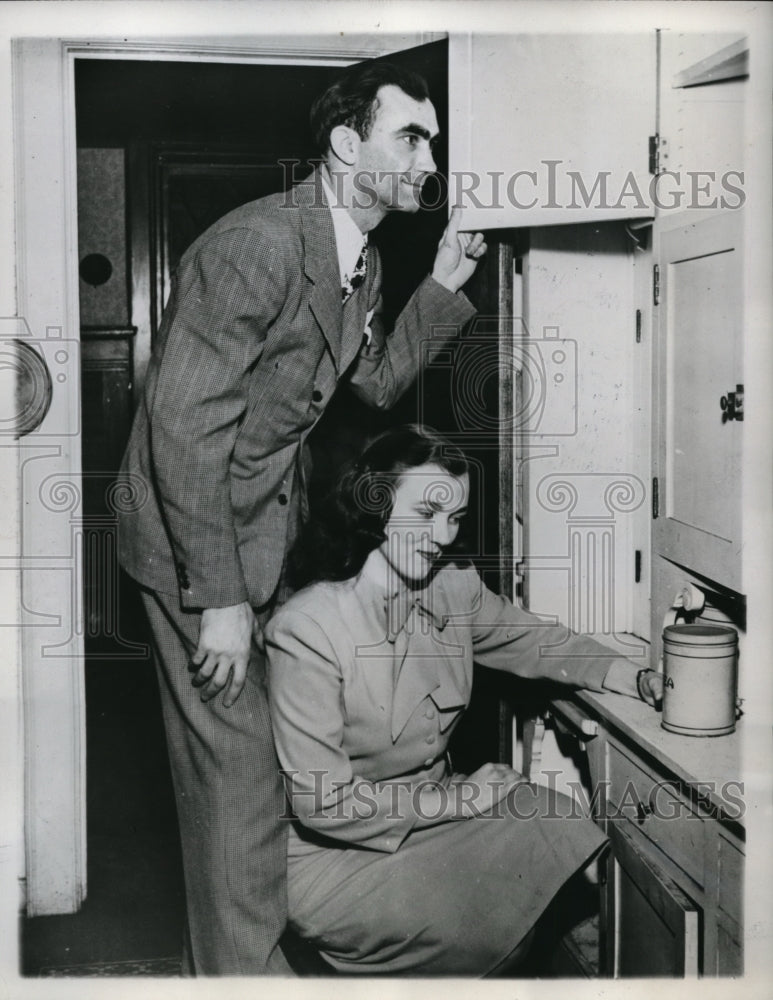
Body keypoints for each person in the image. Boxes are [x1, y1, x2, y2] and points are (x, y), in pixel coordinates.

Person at [117, 61, 486, 976]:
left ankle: (266, 946)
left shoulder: (358, 253)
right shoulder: (260, 245)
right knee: (238, 778)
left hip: (257, 525)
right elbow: (183, 430)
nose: (428, 155)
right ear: (344, 144)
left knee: (280, 757)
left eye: (431, 138)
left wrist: (442, 281)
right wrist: (222, 600)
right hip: (189, 538)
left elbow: (371, 383)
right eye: (410, 136)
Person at [264, 424, 663, 976]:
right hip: (338, 855)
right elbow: (323, 804)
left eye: (453, 518)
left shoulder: (453, 589)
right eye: (426, 513)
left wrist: (635, 676)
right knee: (468, 914)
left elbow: (537, 642)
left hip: (434, 817)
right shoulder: (307, 628)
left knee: (555, 818)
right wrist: (461, 801)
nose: (443, 535)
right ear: (375, 504)